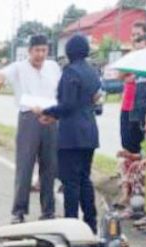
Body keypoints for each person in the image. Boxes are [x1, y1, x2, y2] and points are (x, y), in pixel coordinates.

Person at [0, 34, 61, 224]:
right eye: (37, 50)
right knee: (25, 166)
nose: (40, 54)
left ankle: (48, 210)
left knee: (49, 166)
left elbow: (62, 89)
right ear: (29, 51)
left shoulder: (53, 67)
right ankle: (19, 211)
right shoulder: (19, 67)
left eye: (44, 50)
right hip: (29, 118)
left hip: (51, 117)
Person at [42, 35, 101, 234]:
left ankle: (71, 225)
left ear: (69, 52)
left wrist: (48, 112)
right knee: (85, 178)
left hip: (71, 134)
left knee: (71, 182)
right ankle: (91, 223)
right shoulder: (92, 71)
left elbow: (67, 105)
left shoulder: (70, 72)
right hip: (90, 131)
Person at [120, 22, 146, 154]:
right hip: (127, 105)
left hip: (141, 107)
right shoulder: (129, 56)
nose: (135, 38)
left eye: (139, 35)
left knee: (139, 144)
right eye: (133, 35)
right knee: (126, 141)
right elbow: (120, 74)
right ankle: (127, 170)